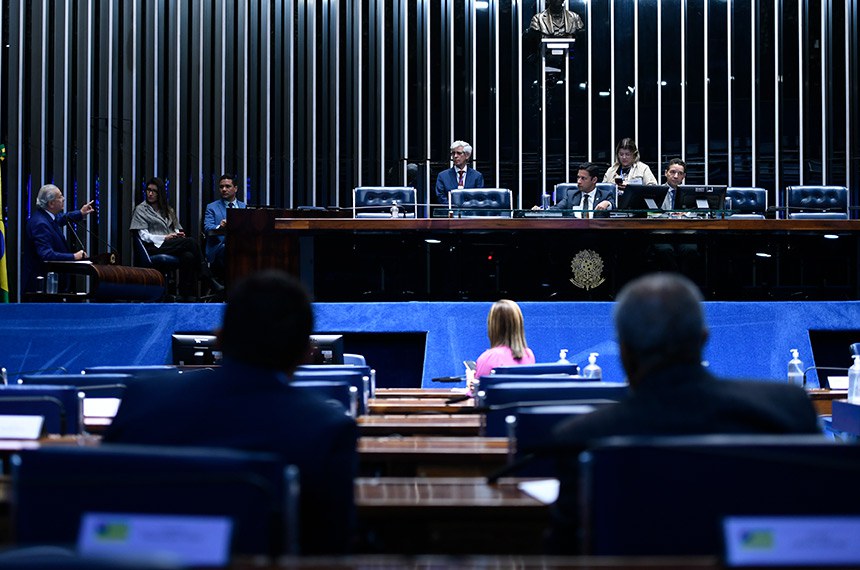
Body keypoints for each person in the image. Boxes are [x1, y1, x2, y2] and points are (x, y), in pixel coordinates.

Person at [547, 272, 821, 553]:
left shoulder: (581, 439)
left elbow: (565, 552)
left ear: (624, 352)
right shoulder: (787, 410)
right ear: (703, 339)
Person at [104, 270, 358, 554]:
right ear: (307, 353)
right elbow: (329, 548)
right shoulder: (326, 428)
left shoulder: (142, 398)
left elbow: (101, 514)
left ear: (219, 339)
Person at [130, 177, 221, 301]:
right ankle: (207, 276)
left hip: (169, 245)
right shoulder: (141, 209)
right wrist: (165, 237)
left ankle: (185, 294)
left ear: (160, 193)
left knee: (188, 256)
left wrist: (177, 234)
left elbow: (177, 229)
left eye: (154, 191)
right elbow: (143, 236)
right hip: (152, 247)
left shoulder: (168, 210)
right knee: (191, 242)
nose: (150, 193)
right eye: (148, 190)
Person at [21, 184, 96, 293]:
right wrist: (74, 256)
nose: (63, 199)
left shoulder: (46, 217)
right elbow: (46, 255)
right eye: (60, 197)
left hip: (48, 284)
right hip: (41, 287)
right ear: (51, 203)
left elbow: (62, 218)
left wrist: (80, 213)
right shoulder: (40, 224)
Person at [475, 299, 536, 379]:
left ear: (493, 326)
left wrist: (471, 383)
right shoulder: (529, 355)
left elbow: (479, 391)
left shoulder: (487, 358)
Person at [203, 173, 246, 277]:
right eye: (221, 187)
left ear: (235, 188)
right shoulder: (212, 207)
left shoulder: (244, 206)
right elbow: (207, 228)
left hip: (241, 245)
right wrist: (219, 227)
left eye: (228, 186)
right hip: (219, 247)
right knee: (227, 248)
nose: (224, 189)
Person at [550, 162, 615, 217]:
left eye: (583, 178)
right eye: (578, 177)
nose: (579, 181)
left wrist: (607, 203)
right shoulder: (570, 195)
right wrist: (541, 210)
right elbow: (555, 209)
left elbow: (614, 207)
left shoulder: (605, 195)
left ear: (594, 180)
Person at [435, 140, 484, 204]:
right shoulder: (443, 176)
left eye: (459, 153)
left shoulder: (477, 176)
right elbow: (440, 197)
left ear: (467, 155)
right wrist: (452, 209)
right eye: (453, 153)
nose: (455, 156)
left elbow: (479, 198)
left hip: (470, 212)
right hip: (450, 212)